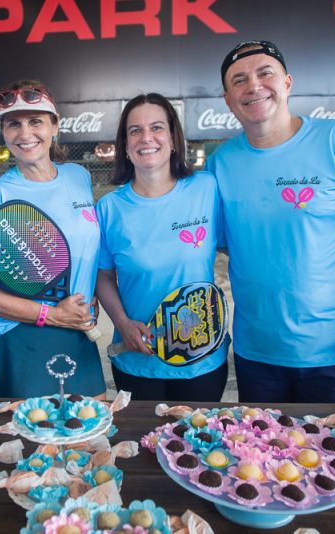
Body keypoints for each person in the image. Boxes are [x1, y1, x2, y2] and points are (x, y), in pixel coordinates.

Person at [205, 40, 335, 403]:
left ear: (288, 83)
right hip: (257, 354)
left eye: (265, 73)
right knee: (260, 457)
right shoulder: (221, 162)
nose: (254, 86)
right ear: (228, 99)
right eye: (239, 80)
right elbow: (222, 244)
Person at [0, 80, 105, 398]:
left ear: (55, 125)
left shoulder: (78, 177)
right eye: (14, 124)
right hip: (21, 338)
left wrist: (88, 297)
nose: (25, 134)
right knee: (31, 443)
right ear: (4, 132)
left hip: (78, 328)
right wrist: (51, 314)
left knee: (89, 435)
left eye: (36, 121)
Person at [94, 94, 230, 402]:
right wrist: (122, 323)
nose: (146, 138)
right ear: (126, 146)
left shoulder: (207, 188)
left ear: (173, 139)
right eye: (135, 131)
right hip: (137, 362)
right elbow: (103, 277)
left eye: (157, 127)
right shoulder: (109, 208)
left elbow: (236, 246)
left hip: (203, 362)